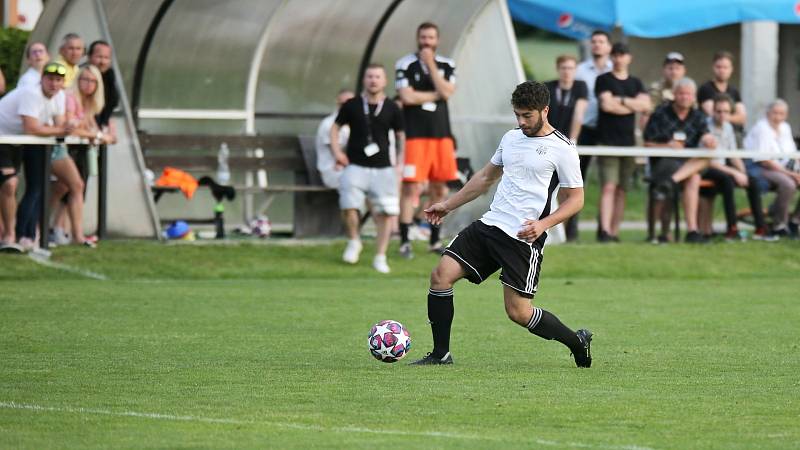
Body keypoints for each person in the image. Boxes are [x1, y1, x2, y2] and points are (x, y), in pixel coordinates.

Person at [409, 81, 592, 368]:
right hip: (490, 225)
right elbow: (485, 178)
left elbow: (576, 199)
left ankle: (575, 341)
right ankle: (440, 354)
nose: (521, 122)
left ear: (545, 110)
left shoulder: (563, 149)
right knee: (440, 276)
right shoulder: (511, 138)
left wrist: (544, 224)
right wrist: (447, 205)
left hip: (522, 237)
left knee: (518, 312)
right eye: (517, 115)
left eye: (527, 116)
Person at [329, 64, 405, 273]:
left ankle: (380, 256)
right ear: (364, 79)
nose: (373, 80)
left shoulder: (391, 107)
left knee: (387, 213)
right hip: (355, 165)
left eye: (377, 77)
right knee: (348, 205)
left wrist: (400, 163)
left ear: (384, 81)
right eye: (370, 76)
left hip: (384, 168)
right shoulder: (352, 105)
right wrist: (337, 153)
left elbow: (401, 136)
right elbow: (335, 128)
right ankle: (354, 240)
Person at [395, 21, 457, 259]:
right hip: (416, 136)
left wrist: (431, 65)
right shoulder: (405, 64)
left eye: (431, 38)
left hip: (442, 135)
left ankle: (433, 239)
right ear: (417, 38)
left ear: (437, 40)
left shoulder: (446, 64)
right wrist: (436, 93)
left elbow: (449, 92)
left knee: (439, 187)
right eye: (423, 37)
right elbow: (406, 96)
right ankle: (404, 240)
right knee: (411, 187)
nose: (426, 42)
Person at [0, 62, 71, 250]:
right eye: (50, 79)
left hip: (21, 141)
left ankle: (26, 234)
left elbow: (60, 126)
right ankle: (11, 234)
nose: (54, 84)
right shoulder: (31, 93)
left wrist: (56, 129)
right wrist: (57, 129)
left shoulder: (59, 97)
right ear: (42, 79)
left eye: (58, 80)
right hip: (4, 138)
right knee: (9, 184)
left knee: (37, 185)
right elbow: (32, 127)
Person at [644, 78, 717, 243]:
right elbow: (647, 143)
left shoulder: (698, 115)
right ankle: (692, 230)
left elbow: (705, 133)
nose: (685, 97)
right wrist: (667, 146)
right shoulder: (660, 113)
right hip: (664, 161)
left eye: (689, 94)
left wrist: (708, 139)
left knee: (705, 158)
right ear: (674, 95)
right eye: (681, 93)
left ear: (694, 97)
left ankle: (691, 230)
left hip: (687, 162)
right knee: (694, 176)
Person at [50, 65, 111, 248]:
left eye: (93, 81)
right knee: (75, 186)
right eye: (85, 79)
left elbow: (90, 128)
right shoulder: (70, 98)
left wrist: (98, 134)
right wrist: (98, 136)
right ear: (77, 80)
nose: (88, 84)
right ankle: (76, 235)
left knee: (62, 188)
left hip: (71, 149)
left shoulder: (88, 103)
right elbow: (70, 128)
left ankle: (40, 229)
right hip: (57, 148)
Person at [595, 43, 650, 242]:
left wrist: (622, 101)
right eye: (615, 55)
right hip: (607, 142)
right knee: (609, 186)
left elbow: (646, 105)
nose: (619, 59)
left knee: (622, 189)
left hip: (629, 142)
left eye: (622, 55)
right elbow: (607, 105)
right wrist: (631, 105)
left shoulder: (636, 82)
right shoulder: (603, 80)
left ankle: (615, 231)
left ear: (629, 58)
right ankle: (605, 230)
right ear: (612, 58)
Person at [698, 93, 760, 240]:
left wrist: (743, 173)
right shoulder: (705, 126)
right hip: (705, 166)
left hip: (722, 167)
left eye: (726, 112)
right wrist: (734, 172)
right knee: (727, 180)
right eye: (718, 111)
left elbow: (733, 155)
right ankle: (732, 228)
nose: (722, 115)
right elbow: (707, 160)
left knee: (752, 180)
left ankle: (761, 228)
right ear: (713, 111)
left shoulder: (728, 128)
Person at [545, 54, 588, 242]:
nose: (567, 72)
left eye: (570, 68)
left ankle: (567, 231)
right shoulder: (548, 87)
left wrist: (572, 140)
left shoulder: (580, 87)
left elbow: (579, 114)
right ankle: (551, 229)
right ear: (558, 69)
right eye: (563, 68)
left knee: (569, 188)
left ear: (575, 70)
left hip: (568, 144)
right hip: (549, 143)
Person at [744, 99, 800, 238]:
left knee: (792, 180)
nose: (778, 117)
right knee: (788, 184)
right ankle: (779, 225)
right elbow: (765, 160)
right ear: (767, 113)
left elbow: (792, 154)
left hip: (783, 168)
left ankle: (794, 221)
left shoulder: (785, 127)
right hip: (759, 168)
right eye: (775, 113)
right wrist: (791, 174)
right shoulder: (762, 128)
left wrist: (797, 170)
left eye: (781, 114)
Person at [575, 30, 612, 173]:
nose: (597, 45)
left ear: (609, 47)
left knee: (608, 173)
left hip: (608, 127)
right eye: (594, 42)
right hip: (585, 126)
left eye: (601, 42)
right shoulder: (580, 70)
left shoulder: (615, 69)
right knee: (578, 169)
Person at [697, 51, 746, 138]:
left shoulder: (734, 91)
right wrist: (733, 117)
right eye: (718, 67)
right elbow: (713, 114)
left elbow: (742, 118)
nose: (722, 70)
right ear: (713, 68)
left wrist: (726, 117)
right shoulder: (706, 88)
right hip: (713, 135)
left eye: (725, 67)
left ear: (731, 69)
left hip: (735, 135)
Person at [315, 89, 354, 189]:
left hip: (348, 168)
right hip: (332, 171)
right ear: (338, 104)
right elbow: (340, 157)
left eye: (351, 104)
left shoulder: (357, 123)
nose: (347, 107)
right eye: (343, 104)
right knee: (357, 181)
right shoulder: (329, 124)